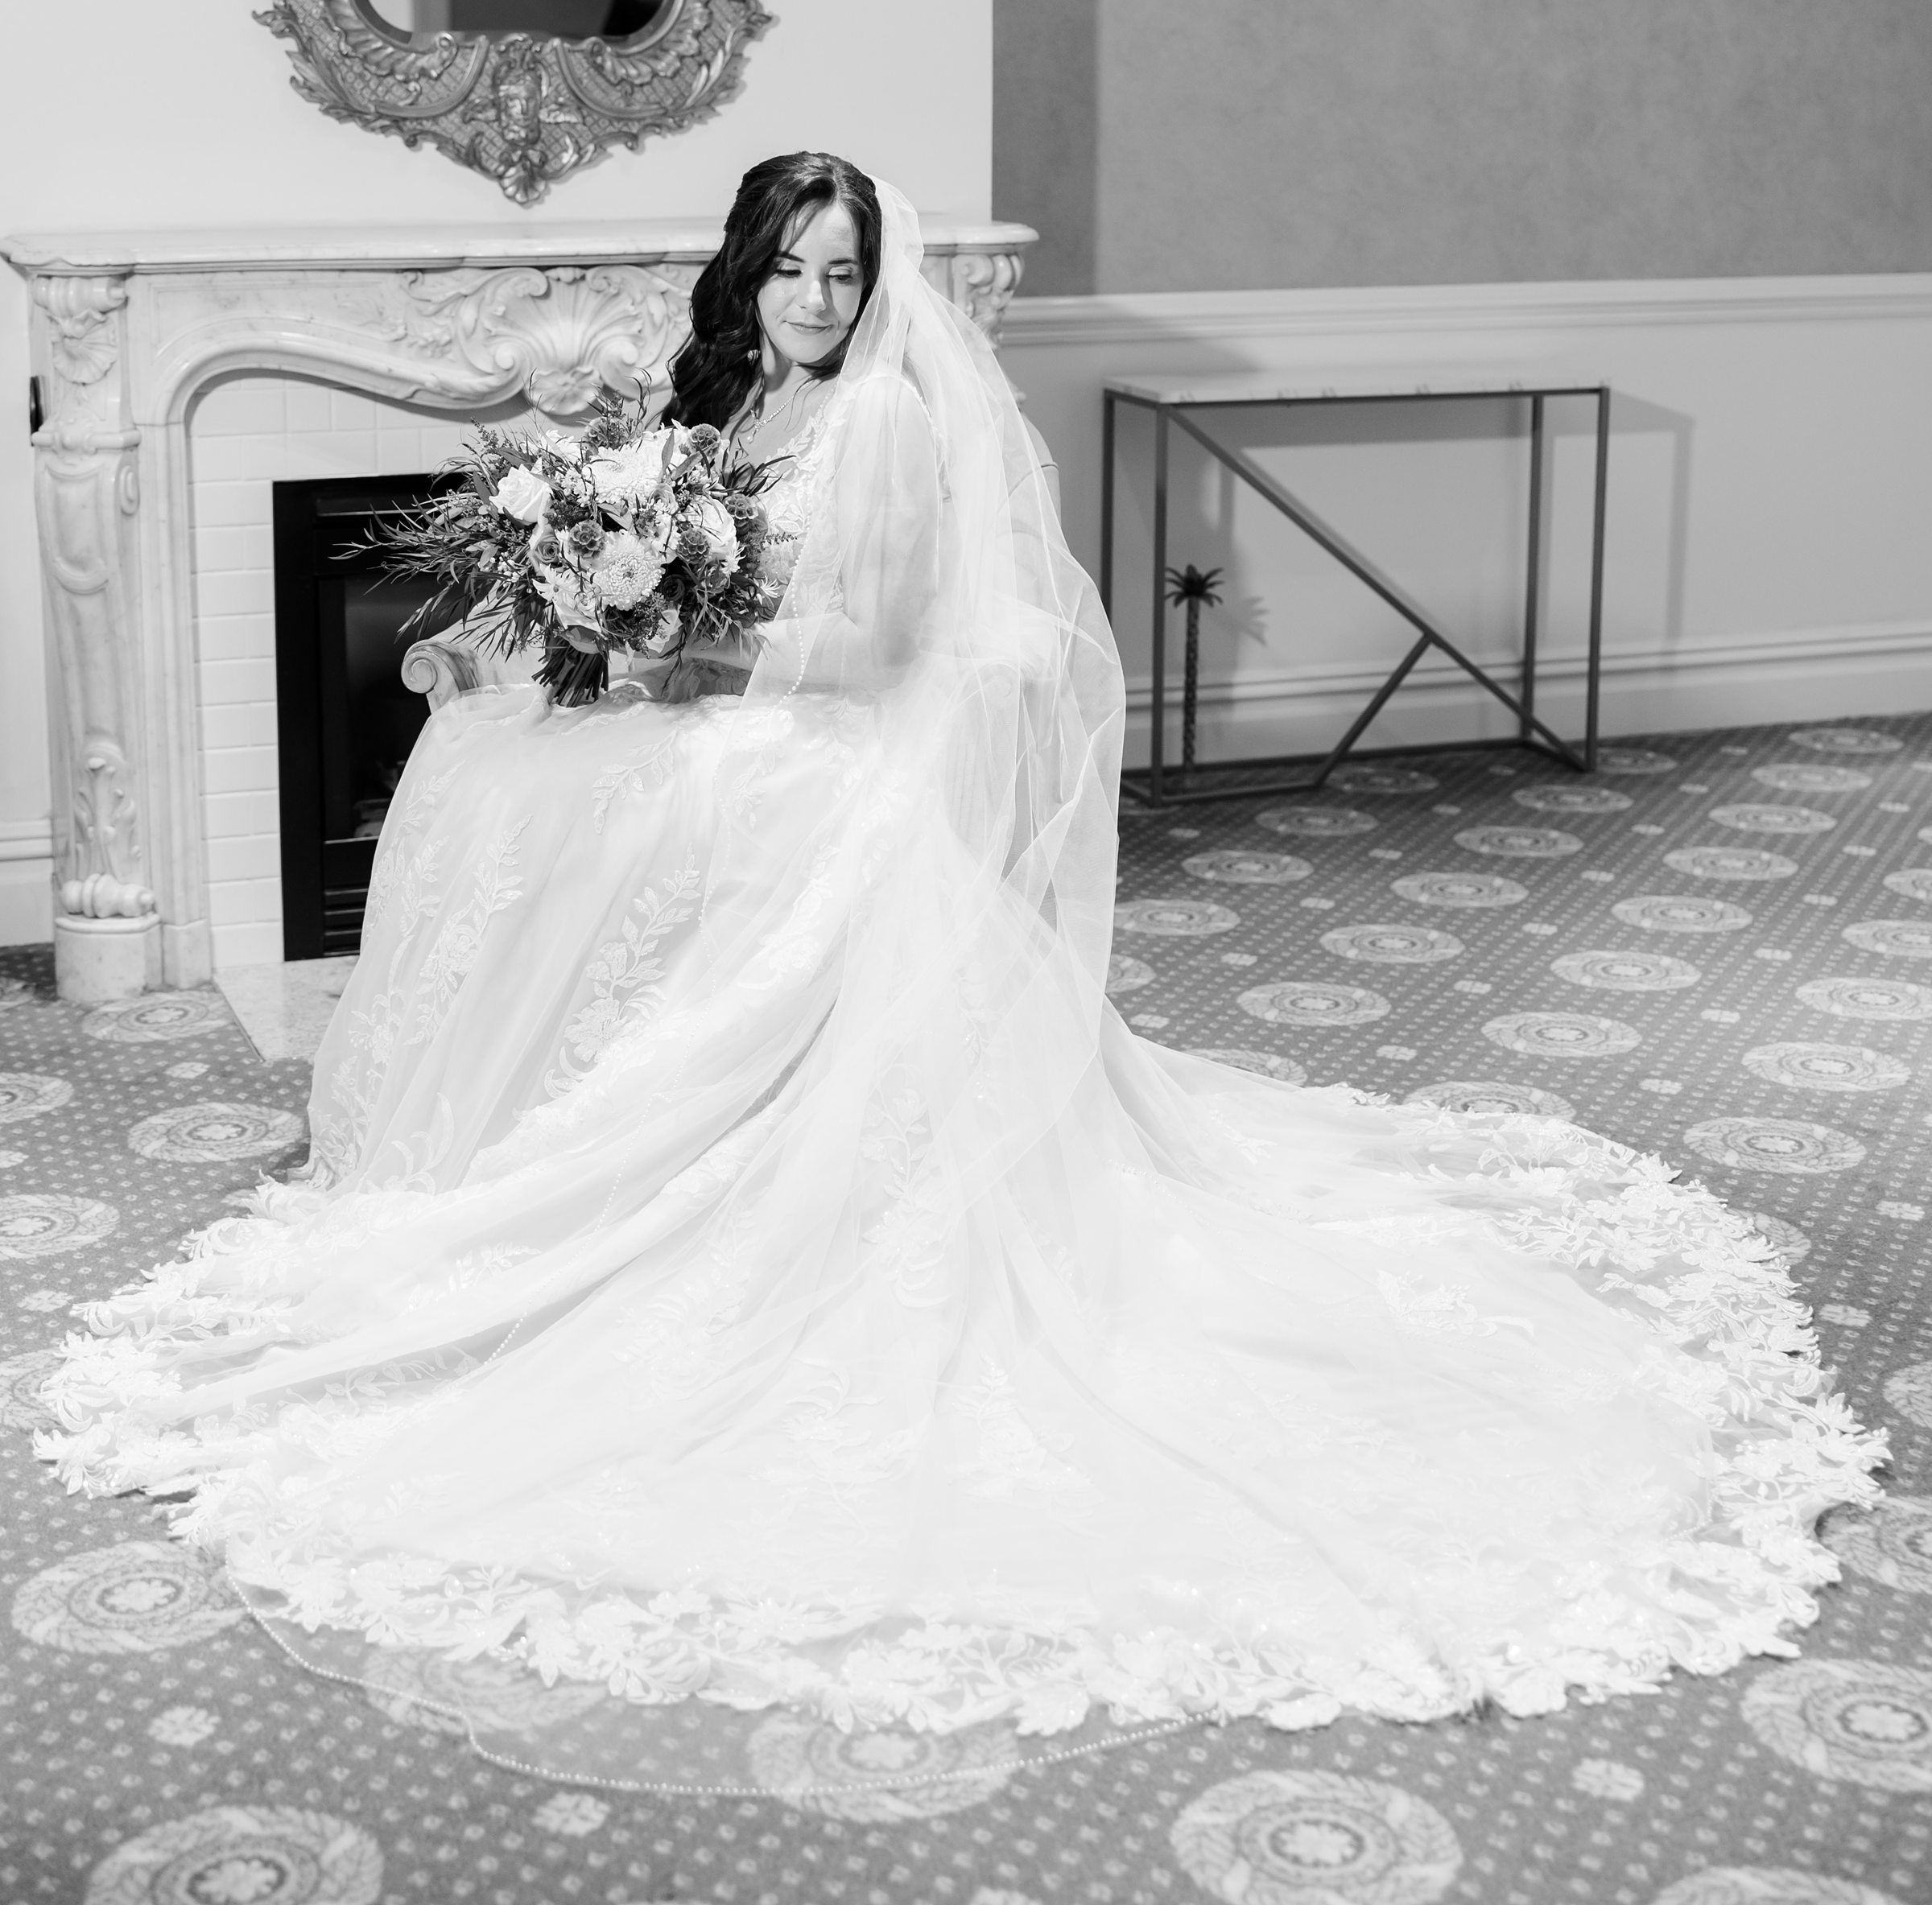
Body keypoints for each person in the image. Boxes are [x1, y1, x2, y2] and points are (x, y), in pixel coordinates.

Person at [43, 153, 1882, 1768]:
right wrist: (555, 621)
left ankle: (658, 1136)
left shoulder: (895, 426)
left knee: (653, 800)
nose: (822, 300)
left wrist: (674, 653)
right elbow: (675, 576)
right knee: (499, 755)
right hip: (731, 703)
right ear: (746, 272)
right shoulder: (716, 413)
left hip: (826, 742)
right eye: (794, 266)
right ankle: (503, 1122)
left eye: (847, 272)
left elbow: (868, 652)